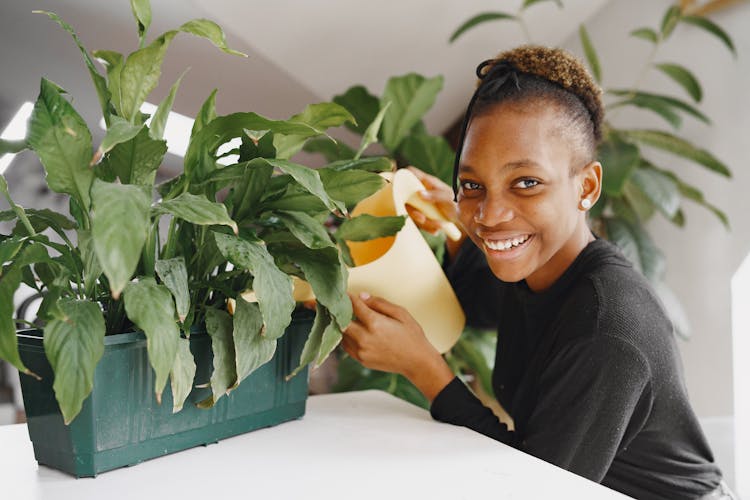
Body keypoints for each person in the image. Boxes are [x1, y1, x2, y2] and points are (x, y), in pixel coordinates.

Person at [341, 45, 735, 500]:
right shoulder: (540, 268)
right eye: (473, 185)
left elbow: (535, 486)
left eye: (526, 183)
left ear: (586, 186)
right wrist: (456, 228)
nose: (488, 214)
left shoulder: (607, 327)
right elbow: (482, 308)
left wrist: (426, 371)